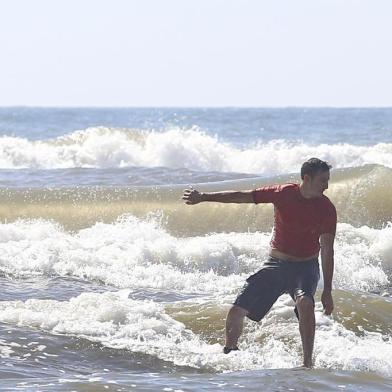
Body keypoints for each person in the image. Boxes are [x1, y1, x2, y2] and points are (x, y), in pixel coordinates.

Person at [182, 157, 336, 368]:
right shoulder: (283, 193)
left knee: (306, 303)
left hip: (305, 267)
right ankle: (229, 354)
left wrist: (327, 290)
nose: (326, 186)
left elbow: (327, 249)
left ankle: (307, 364)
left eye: (328, 180)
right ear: (307, 179)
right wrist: (204, 197)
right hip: (276, 264)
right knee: (237, 310)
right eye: (323, 181)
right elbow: (243, 197)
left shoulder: (326, 208)